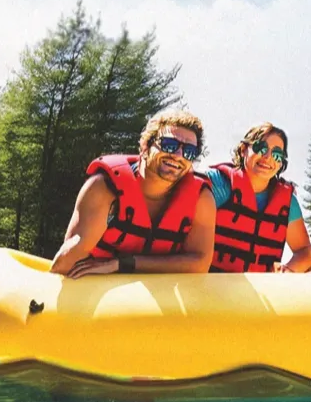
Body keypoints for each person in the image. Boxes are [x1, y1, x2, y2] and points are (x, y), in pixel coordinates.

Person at [51, 109, 215, 278]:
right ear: (145, 147)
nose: (178, 156)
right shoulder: (105, 186)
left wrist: (121, 264)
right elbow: (68, 259)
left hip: (159, 295)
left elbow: (199, 264)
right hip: (96, 287)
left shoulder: (201, 198)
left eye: (189, 151)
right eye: (169, 145)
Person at [207, 122, 311, 272]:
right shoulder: (219, 183)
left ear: (281, 163)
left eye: (277, 154)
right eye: (261, 148)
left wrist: (287, 271)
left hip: (260, 291)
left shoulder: (288, 203)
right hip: (210, 286)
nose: (268, 157)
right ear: (243, 150)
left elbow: (305, 252)